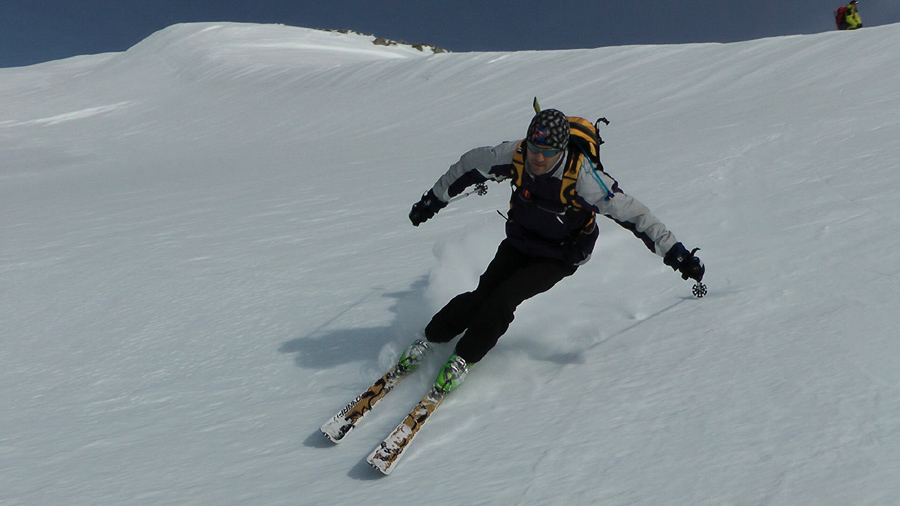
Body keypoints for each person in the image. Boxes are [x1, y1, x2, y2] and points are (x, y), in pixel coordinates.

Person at [399, 108, 705, 394]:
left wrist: (676, 253)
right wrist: (433, 200)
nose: (538, 158)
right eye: (534, 148)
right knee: (482, 294)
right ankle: (431, 339)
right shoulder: (516, 155)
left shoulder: (584, 179)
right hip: (520, 241)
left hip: (559, 255)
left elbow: (635, 214)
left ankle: (463, 358)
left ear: (562, 150)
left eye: (548, 153)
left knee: (503, 300)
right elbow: (469, 165)